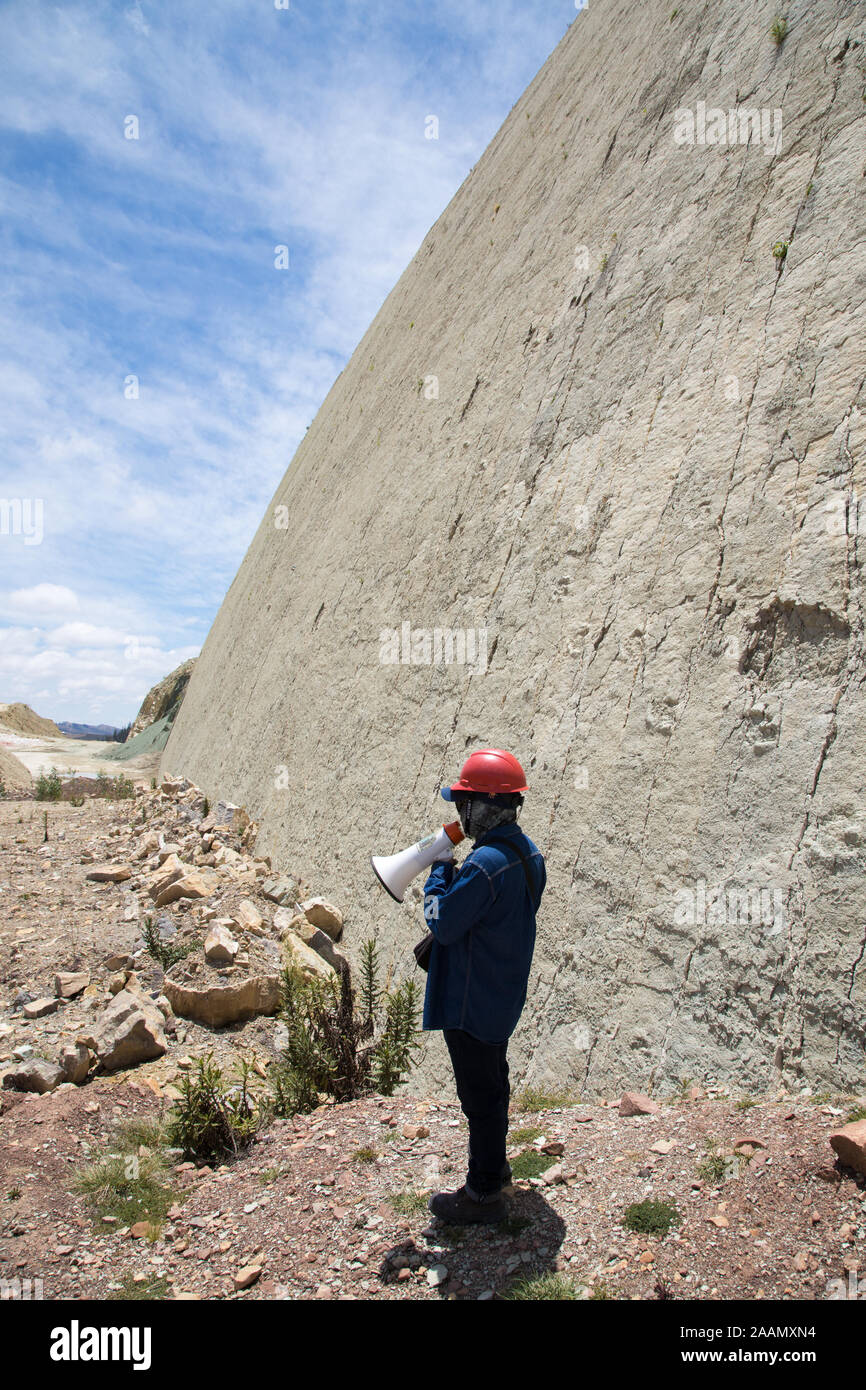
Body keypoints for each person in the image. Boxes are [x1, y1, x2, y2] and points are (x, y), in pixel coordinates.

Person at [421, 748, 546, 1224]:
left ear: (484, 806)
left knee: (479, 1097)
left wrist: (438, 871)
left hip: (472, 1000)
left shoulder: (481, 865)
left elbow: (442, 922)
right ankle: (497, 1167)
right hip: (502, 992)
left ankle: (482, 1194)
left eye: (463, 804)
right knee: (494, 1084)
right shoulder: (527, 853)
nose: (459, 812)